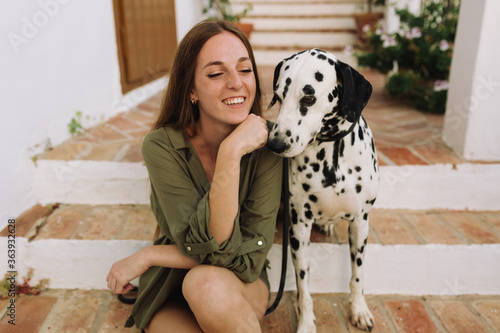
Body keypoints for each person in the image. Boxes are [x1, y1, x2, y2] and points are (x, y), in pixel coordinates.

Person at [106, 20, 283, 332]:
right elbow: (198, 243)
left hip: (238, 284)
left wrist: (231, 151)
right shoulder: (162, 145)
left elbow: (249, 259)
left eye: (244, 70)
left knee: (206, 285)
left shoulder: (267, 148)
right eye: (216, 73)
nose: (236, 83)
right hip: (170, 286)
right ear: (190, 90)